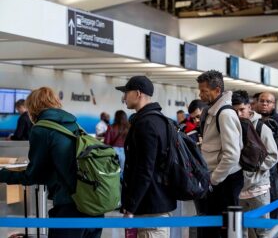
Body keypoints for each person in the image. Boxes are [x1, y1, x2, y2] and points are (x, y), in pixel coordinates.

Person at [0, 87, 103, 238]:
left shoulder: (41, 129)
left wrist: (3, 175)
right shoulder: (74, 124)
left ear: (32, 107)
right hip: (94, 203)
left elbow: (33, 175)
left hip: (70, 207)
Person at [115, 76, 176, 238]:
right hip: (156, 203)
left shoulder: (146, 124)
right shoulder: (159, 120)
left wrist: (131, 207)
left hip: (150, 209)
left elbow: (144, 169)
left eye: (126, 93)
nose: (123, 98)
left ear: (137, 93)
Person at [196, 70, 243, 238]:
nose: (200, 94)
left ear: (217, 90)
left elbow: (231, 155)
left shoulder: (225, 114)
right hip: (218, 179)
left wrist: (213, 180)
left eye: (204, 91)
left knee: (222, 230)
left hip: (224, 181)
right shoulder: (213, 111)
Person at [231, 90, 278, 238]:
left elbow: (273, 155)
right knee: (240, 231)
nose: (238, 114)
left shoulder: (261, 128)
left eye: (241, 110)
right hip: (238, 189)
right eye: (234, 111)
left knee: (263, 231)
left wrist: (256, 169)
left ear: (249, 107)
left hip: (259, 188)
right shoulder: (230, 128)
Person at [104, 110, 129, 179]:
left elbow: (106, 143)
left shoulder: (111, 127)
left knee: (113, 172)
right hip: (124, 152)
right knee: (122, 173)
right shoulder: (128, 128)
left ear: (116, 117)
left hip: (113, 151)